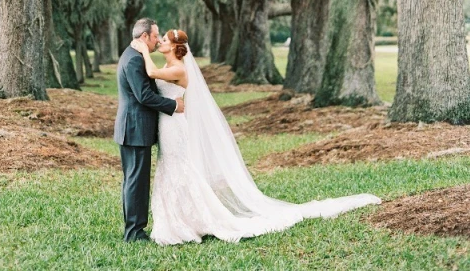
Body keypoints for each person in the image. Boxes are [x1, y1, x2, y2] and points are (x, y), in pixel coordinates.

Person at [131, 28, 381, 246]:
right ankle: (179, 220)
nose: (160, 42)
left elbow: (151, 73)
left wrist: (142, 49)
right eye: (159, 39)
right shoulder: (168, 65)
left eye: (164, 40)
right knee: (170, 169)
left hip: (175, 126)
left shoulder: (178, 68)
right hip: (168, 123)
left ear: (175, 47)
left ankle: (189, 222)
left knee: (180, 169)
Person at [114, 18, 185, 242]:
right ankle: (134, 232)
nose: (157, 40)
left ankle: (133, 228)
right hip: (135, 129)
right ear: (144, 36)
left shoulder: (132, 55)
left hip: (133, 128)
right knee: (136, 181)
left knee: (133, 180)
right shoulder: (134, 60)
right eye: (155, 36)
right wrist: (173, 105)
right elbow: (143, 96)